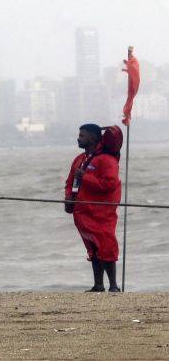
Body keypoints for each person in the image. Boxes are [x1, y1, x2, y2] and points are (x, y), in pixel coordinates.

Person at [65, 123, 122, 292]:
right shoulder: (79, 160)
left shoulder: (107, 160)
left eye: (82, 136)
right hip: (82, 213)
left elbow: (110, 184)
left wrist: (86, 177)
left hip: (101, 213)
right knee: (92, 248)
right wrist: (68, 198)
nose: (78, 138)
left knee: (106, 247)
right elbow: (69, 182)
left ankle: (113, 285)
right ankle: (98, 285)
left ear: (93, 138)